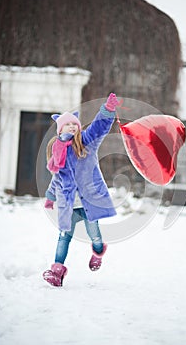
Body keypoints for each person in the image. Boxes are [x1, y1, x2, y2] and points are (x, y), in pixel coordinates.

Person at [42, 93, 119, 287]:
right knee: (63, 237)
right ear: (60, 128)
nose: (73, 126)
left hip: (88, 202)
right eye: (68, 124)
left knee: (94, 234)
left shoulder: (86, 142)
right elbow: (57, 177)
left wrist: (107, 110)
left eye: (75, 124)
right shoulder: (57, 151)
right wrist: (51, 197)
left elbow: (98, 128)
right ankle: (57, 271)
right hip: (68, 205)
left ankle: (98, 251)